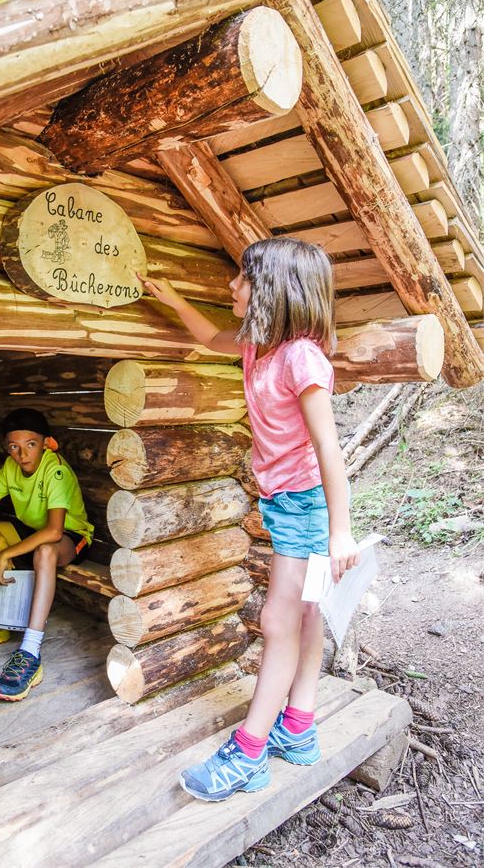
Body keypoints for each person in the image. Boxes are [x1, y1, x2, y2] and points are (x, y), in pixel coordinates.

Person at [140, 237, 359, 802]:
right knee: (304, 616)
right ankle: (299, 728)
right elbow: (212, 335)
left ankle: (250, 752)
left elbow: (329, 450)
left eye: (242, 279)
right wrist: (170, 301)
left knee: (277, 621)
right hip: (286, 501)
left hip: (308, 505)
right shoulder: (256, 341)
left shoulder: (301, 357)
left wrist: (340, 531)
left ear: (273, 291)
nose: (230, 287)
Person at [0, 407, 94, 702]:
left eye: (30, 445)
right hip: (30, 530)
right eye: (14, 447)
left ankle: (30, 651)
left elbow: (54, 532)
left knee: (45, 552)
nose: (22, 454)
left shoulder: (55, 470)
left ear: (47, 444)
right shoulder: (11, 467)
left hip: (70, 537)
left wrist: (7, 551)